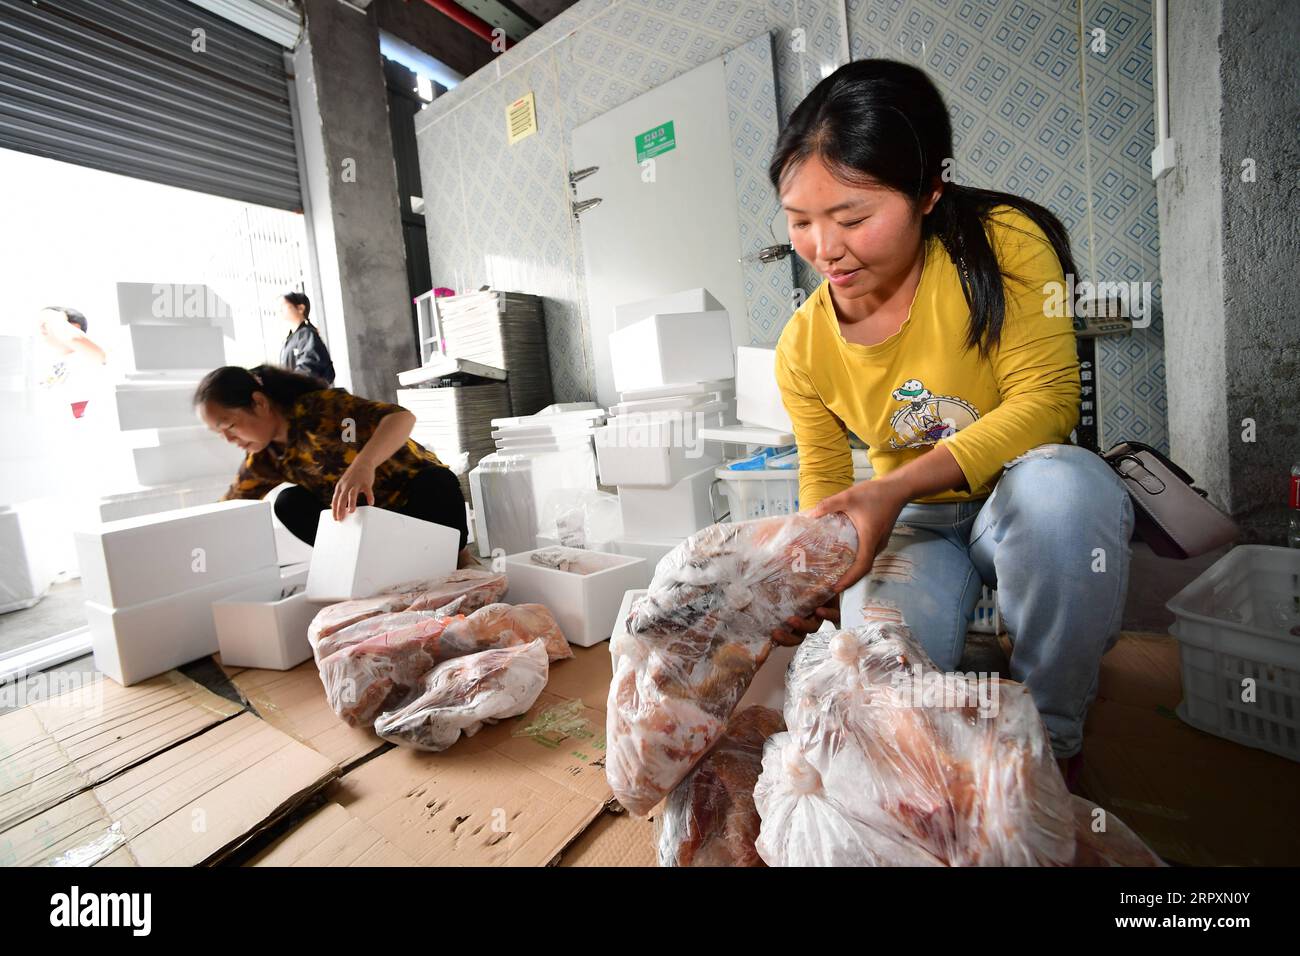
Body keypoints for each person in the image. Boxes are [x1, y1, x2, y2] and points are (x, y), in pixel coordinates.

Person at [768, 60, 1133, 787]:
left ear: (930, 191)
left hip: (1012, 500)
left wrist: (894, 488)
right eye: (800, 221)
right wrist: (809, 576)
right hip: (917, 527)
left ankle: (1053, 743)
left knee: (1067, 492)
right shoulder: (802, 345)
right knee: (882, 695)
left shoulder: (1000, 247)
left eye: (852, 218)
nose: (824, 249)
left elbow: (1048, 405)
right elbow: (826, 479)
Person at [194, 364, 474, 565]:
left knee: (435, 481)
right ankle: (372, 567)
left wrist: (363, 465)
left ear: (258, 403)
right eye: (219, 434)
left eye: (229, 426)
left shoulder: (322, 410)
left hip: (419, 509)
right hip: (374, 535)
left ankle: (457, 557)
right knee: (289, 502)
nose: (228, 439)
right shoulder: (264, 460)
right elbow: (228, 507)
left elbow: (401, 418)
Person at [33, 306, 107, 418]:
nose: (43, 328)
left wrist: (54, 318)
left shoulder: (88, 357)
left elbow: (74, 339)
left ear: (74, 327)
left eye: (47, 324)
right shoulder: (43, 365)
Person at [279, 291, 335, 384]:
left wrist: (292, 384)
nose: (279, 310)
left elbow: (309, 367)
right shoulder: (292, 337)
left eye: (283, 305)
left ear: (300, 308)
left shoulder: (307, 334)